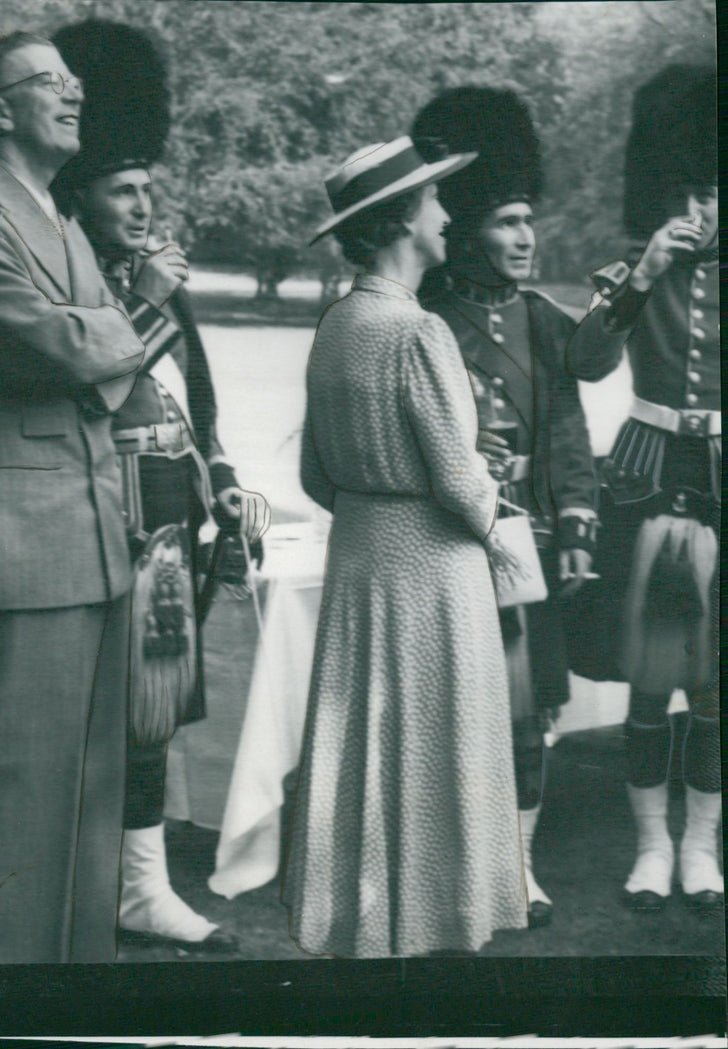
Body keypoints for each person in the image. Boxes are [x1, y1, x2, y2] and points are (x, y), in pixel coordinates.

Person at [52, 20, 270, 952]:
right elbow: (84, 383)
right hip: (101, 517)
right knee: (103, 714)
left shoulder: (155, 273)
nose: (143, 204)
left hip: (171, 512)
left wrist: (220, 477)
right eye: (122, 189)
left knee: (154, 708)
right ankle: (104, 881)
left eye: (148, 187)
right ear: (82, 195)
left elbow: (198, 402)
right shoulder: (67, 277)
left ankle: (140, 884)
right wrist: (142, 294)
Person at [282, 136, 528, 957]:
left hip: (361, 559)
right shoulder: (418, 331)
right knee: (435, 741)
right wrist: (498, 520)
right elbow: (461, 485)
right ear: (400, 223)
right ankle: (433, 922)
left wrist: (377, 495)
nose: (448, 214)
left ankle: (370, 921)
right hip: (432, 571)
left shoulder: (337, 323)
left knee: (370, 740)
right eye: (433, 202)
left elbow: (317, 475)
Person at [0, 32, 146, 964]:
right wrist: (108, 333)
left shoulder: (57, 218)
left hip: (93, 540)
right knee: (20, 804)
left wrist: (98, 337)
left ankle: (72, 1000)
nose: (73, 94)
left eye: (74, 81)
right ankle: (3, 1010)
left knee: (90, 804)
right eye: (50, 82)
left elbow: (95, 357)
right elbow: (62, 350)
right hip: (20, 550)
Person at [411, 88, 599, 928]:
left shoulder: (544, 320)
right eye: (507, 221)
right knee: (455, 707)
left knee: (529, 713)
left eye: (530, 220)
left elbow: (567, 424)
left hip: (529, 539)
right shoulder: (422, 320)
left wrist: (578, 524)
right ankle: (451, 861)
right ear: (463, 228)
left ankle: (515, 867)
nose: (526, 238)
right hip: (448, 540)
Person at [565, 66, 721, 914]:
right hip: (648, 474)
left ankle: (701, 843)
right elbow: (586, 361)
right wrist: (643, 275)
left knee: (715, 682)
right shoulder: (637, 267)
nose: (700, 212)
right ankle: (651, 846)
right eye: (686, 194)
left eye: (713, 193)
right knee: (650, 675)